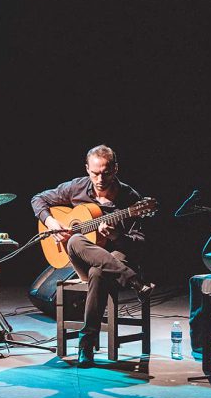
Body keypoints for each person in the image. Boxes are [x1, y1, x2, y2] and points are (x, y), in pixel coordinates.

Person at [31, 144, 154, 367]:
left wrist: (117, 236)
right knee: (76, 239)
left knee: (99, 273)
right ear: (87, 169)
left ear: (115, 169)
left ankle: (85, 346)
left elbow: (140, 244)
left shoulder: (131, 199)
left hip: (115, 257)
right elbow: (38, 199)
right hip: (83, 258)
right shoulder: (77, 187)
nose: (100, 179)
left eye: (106, 173)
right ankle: (135, 281)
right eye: (95, 172)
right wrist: (51, 222)